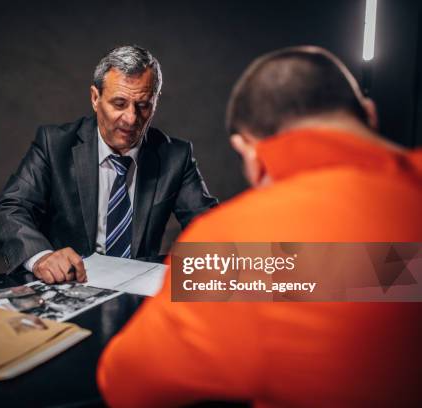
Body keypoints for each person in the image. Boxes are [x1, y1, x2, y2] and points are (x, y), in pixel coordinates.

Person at [97, 46, 422, 407]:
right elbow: (393, 273)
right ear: (370, 115)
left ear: (249, 152)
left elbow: (126, 384)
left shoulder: (233, 248)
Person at [0, 45, 217, 284]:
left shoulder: (175, 156)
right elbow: (9, 210)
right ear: (95, 98)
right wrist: (41, 257)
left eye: (143, 105)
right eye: (119, 104)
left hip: (140, 291)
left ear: (155, 101)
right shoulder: (54, 145)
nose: (131, 119)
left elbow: (209, 225)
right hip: (70, 284)